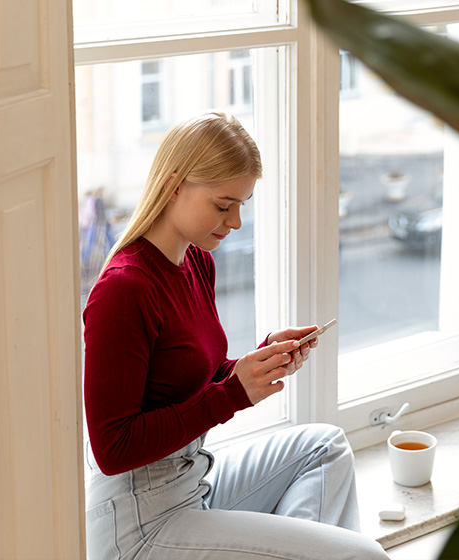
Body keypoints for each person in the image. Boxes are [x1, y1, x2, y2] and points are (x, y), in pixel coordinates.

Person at [83, 111, 390, 560]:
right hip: (138, 523)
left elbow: (183, 378)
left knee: (324, 447)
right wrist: (233, 393)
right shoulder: (124, 290)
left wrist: (258, 363)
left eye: (242, 204)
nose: (236, 221)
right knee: (365, 557)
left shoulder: (194, 261)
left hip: (192, 482)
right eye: (224, 205)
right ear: (174, 187)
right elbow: (112, 448)